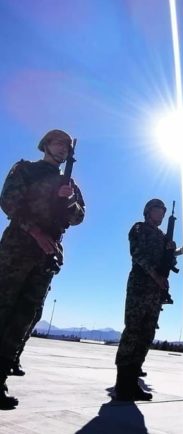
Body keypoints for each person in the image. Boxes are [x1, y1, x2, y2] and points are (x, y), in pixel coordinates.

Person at [0, 129, 85, 410]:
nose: (63, 148)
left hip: (45, 256)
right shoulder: (26, 169)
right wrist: (35, 232)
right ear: (46, 145)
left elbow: (78, 217)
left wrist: (68, 198)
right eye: (58, 142)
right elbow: (9, 202)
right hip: (17, 249)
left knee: (24, 316)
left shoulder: (69, 183)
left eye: (67, 145)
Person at [114, 198, 183, 401]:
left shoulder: (162, 236)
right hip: (140, 285)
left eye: (163, 211)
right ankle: (123, 383)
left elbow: (166, 261)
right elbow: (138, 255)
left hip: (156, 290)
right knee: (133, 331)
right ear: (147, 211)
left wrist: (173, 250)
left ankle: (133, 381)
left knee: (147, 334)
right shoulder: (139, 228)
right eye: (158, 210)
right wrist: (156, 276)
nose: (161, 214)